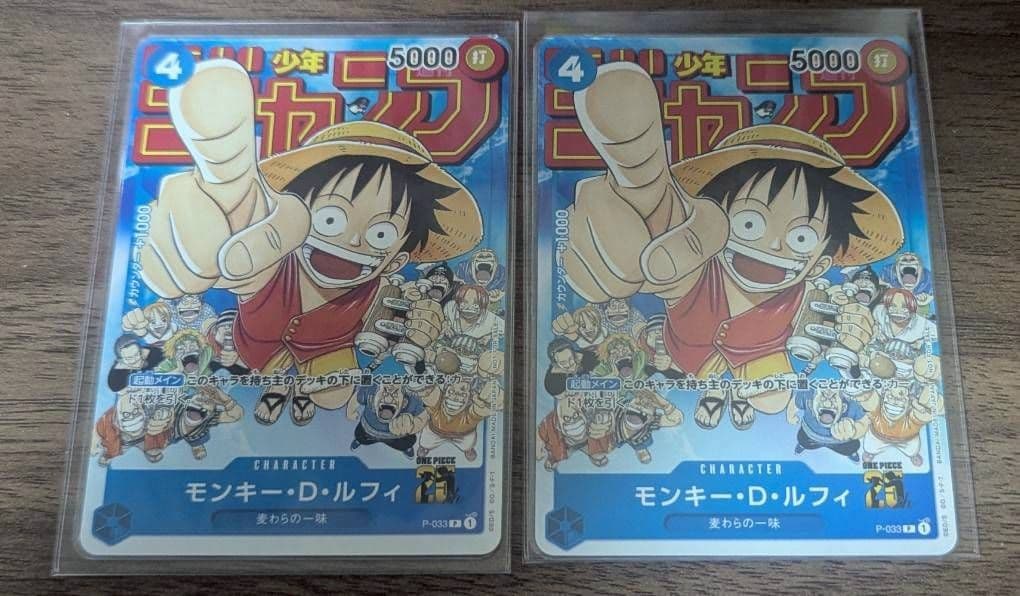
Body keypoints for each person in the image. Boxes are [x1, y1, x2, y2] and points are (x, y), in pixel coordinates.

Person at [561, 62, 903, 430]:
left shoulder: (807, 298)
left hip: (762, 355)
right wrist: (642, 205)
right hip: (688, 356)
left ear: (819, 264)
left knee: (773, 399)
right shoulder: (694, 267)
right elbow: (666, 254)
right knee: (709, 378)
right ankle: (717, 390)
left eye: (800, 237)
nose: (774, 245)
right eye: (749, 222)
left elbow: (834, 320)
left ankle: (737, 391)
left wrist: (854, 327)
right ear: (715, 219)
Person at [137, 60, 480, 426]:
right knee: (262, 370)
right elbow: (240, 265)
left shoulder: (381, 290)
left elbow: (401, 318)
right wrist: (214, 246)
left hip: (328, 349)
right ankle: (281, 386)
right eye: (330, 218)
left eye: (381, 234)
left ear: (396, 261)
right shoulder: (270, 259)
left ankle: (300, 388)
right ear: (295, 214)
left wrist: (423, 325)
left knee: (334, 395)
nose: (351, 240)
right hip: (256, 346)